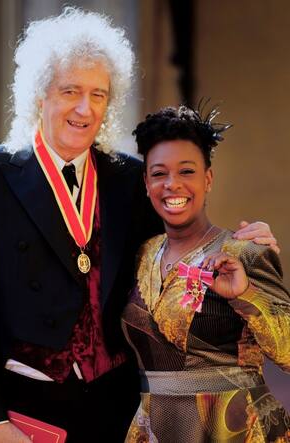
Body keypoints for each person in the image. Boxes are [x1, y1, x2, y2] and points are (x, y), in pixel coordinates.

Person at [0, 7, 278, 443]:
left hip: (118, 414)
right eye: (70, 91)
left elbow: (175, 255)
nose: (85, 109)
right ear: (39, 94)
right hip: (22, 413)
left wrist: (245, 250)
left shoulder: (128, 176)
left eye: (99, 94)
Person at [122, 105, 290, 443]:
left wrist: (246, 295)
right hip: (155, 429)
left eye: (187, 171)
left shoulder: (245, 251)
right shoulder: (141, 254)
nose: (172, 185)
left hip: (237, 429)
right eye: (159, 174)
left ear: (208, 178)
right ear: (146, 182)